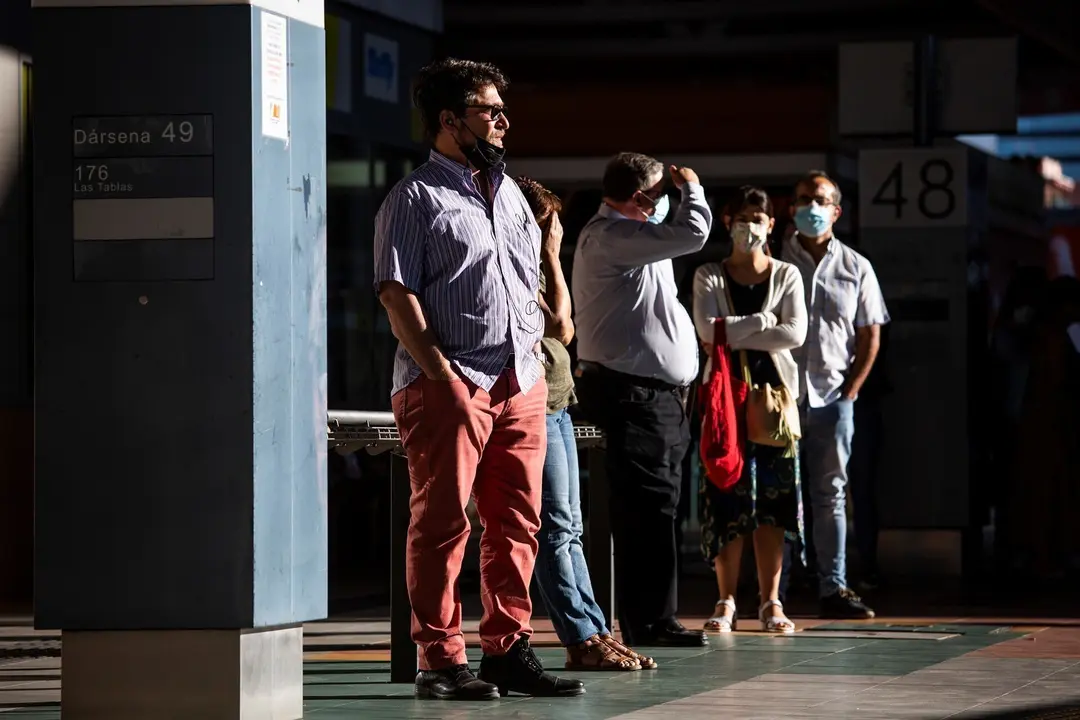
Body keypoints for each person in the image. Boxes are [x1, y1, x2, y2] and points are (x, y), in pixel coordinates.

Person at [373, 58, 583, 701]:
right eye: (489, 112)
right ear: (449, 120)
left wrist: (537, 368)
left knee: (519, 521)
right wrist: (442, 378)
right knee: (441, 524)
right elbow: (395, 292)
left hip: (520, 383)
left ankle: (508, 650)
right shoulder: (413, 198)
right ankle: (439, 660)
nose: (502, 122)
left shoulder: (515, 195)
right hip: (450, 383)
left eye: (501, 111)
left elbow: (529, 284)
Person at [516, 176, 657, 672]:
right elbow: (562, 326)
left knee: (569, 527)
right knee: (554, 528)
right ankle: (579, 638)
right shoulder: (517, 267)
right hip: (530, 406)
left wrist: (548, 256)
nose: (549, 231)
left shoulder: (532, 266)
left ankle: (595, 629)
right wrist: (552, 254)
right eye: (544, 223)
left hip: (556, 404)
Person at [572, 152, 713, 647]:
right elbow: (694, 232)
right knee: (647, 509)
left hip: (658, 395)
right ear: (641, 198)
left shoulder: (635, 239)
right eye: (661, 193)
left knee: (660, 506)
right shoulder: (612, 237)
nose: (668, 200)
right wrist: (692, 188)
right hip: (632, 394)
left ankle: (656, 615)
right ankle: (648, 620)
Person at [692, 186, 807, 633]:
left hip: (774, 403)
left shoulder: (787, 276)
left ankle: (771, 602)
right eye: (741, 218)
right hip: (724, 401)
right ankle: (725, 601)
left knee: (773, 505)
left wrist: (730, 331)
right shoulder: (709, 274)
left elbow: (795, 334)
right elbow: (705, 328)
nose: (749, 227)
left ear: (771, 225)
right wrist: (764, 323)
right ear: (726, 221)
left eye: (758, 219)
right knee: (726, 497)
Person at [780, 170, 888, 619]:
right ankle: (775, 592)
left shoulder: (856, 267)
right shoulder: (773, 261)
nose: (811, 207)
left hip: (832, 397)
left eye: (820, 200)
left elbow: (870, 335)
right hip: (780, 398)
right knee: (780, 495)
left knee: (831, 495)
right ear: (791, 209)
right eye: (804, 199)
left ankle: (834, 587)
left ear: (836, 211)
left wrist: (852, 390)